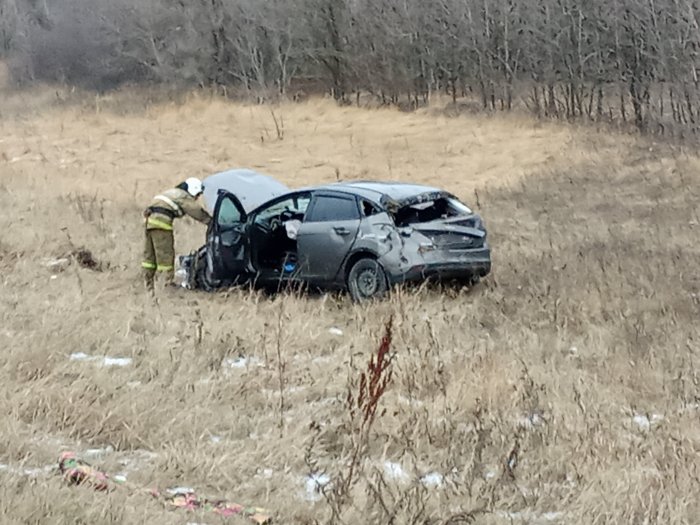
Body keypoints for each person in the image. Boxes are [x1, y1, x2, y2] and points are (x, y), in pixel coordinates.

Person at [142, 177, 211, 292]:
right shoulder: (183, 195)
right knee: (165, 255)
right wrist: (210, 221)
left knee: (150, 255)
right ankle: (167, 285)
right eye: (197, 194)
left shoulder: (172, 192)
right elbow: (195, 210)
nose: (197, 198)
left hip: (149, 222)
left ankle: (148, 282)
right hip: (161, 223)